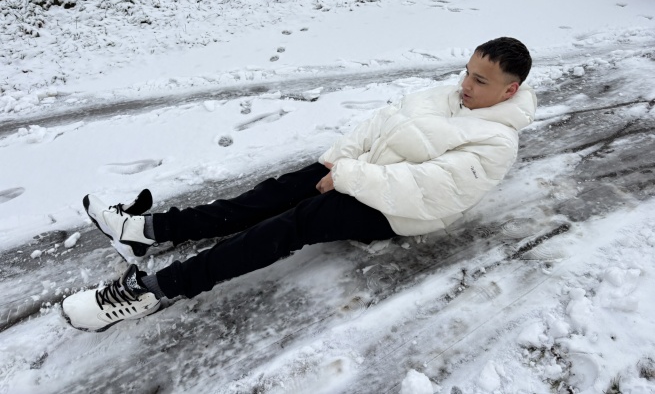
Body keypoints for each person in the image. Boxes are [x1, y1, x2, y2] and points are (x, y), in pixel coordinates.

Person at [62, 37, 537, 332]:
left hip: (399, 212)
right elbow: (381, 122)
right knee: (273, 193)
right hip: (361, 171)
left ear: (509, 90)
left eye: (480, 80)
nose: (465, 84)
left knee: (294, 222)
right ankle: (146, 232)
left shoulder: (496, 143)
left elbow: (426, 189)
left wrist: (347, 176)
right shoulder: (448, 95)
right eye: (466, 72)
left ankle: (152, 290)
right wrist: (338, 161)